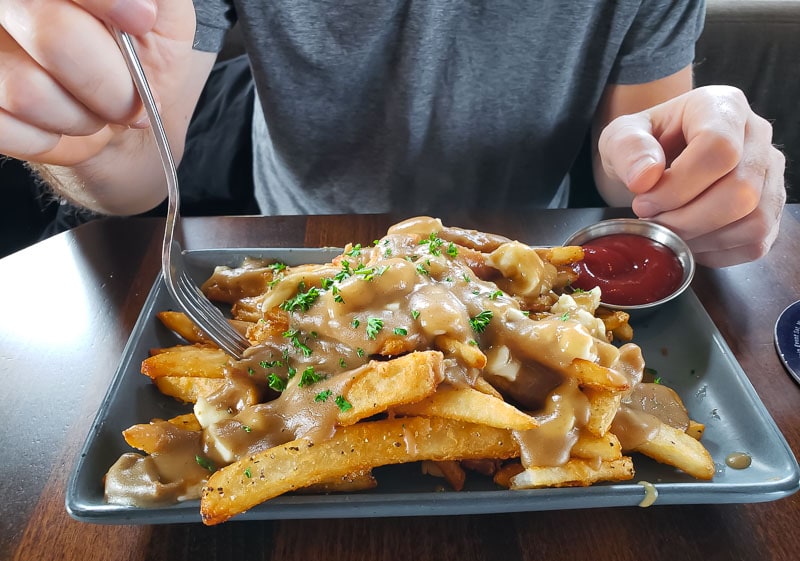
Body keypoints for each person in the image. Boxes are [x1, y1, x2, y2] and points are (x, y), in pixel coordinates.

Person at [0, 0, 785, 268]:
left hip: (522, 254)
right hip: (296, 236)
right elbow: (138, 169)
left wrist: (688, 172)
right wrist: (93, 134)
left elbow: (632, 165)